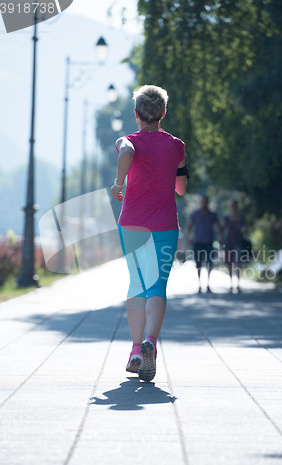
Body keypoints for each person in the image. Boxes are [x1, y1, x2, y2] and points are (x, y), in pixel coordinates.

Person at [110, 85, 189, 382]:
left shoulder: (128, 140)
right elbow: (181, 188)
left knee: (137, 283)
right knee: (157, 287)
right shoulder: (176, 146)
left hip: (131, 224)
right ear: (163, 114)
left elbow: (128, 150)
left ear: (136, 114)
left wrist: (119, 184)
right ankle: (150, 345)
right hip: (165, 225)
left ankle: (133, 350)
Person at [187, 196, 222, 293]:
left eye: (206, 202)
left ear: (208, 202)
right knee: (198, 263)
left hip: (209, 241)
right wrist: (189, 237)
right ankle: (199, 285)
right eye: (203, 201)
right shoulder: (195, 214)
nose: (204, 203)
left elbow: (218, 226)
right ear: (201, 202)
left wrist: (220, 237)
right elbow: (189, 226)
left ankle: (208, 284)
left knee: (209, 262)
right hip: (197, 241)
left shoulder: (212, 214)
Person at [223, 200, 246, 293]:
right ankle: (231, 285)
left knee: (238, 263)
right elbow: (222, 228)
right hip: (229, 243)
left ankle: (238, 284)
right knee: (230, 264)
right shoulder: (227, 218)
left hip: (238, 242)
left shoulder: (242, 218)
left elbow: (245, 229)